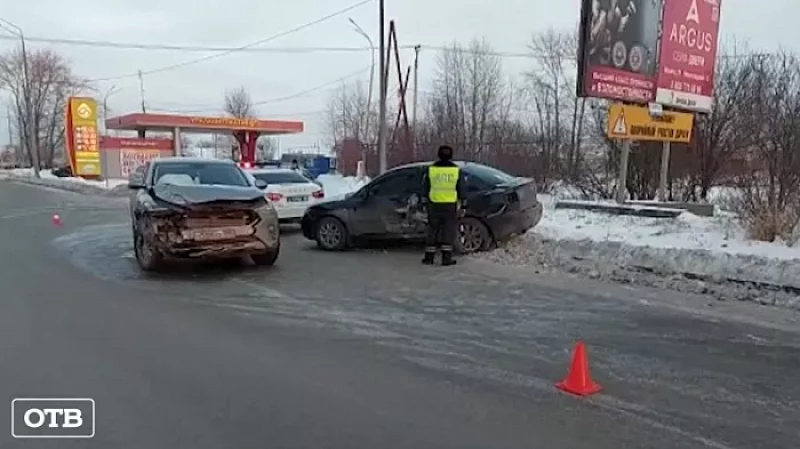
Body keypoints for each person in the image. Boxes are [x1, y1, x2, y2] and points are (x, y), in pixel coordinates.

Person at [421, 145, 467, 266]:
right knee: (448, 231)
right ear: (451, 156)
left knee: (432, 230)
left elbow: (426, 186)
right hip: (449, 204)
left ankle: (429, 258)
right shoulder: (455, 170)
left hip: (434, 203)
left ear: (438, 154)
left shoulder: (431, 169)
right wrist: (463, 203)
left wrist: (424, 201)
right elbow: (460, 188)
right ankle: (446, 259)